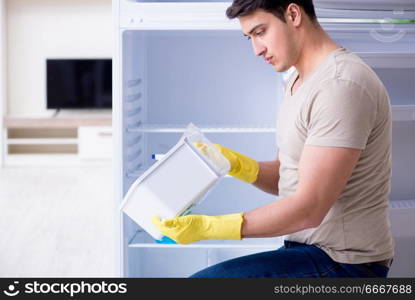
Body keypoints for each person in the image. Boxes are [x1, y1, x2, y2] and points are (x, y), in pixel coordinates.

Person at [152, 0, 394, 278]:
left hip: (345, 264)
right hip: (304, 250)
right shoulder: (298, 82)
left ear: (293, 14)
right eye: (249, 38)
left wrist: (209, 228)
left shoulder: (341, 84)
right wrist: (234, 163)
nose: (256, 50)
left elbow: (309, 208)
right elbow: (287, 178)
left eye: (260, 32)